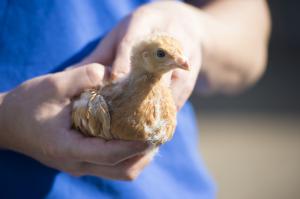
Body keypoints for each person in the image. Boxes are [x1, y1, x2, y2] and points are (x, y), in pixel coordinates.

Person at [0, 0, 270, 198]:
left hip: (167, 187)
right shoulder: (101, 106)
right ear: (143, 58)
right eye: (163, 55)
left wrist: (196, 27)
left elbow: (248, 27)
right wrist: (6, 120)